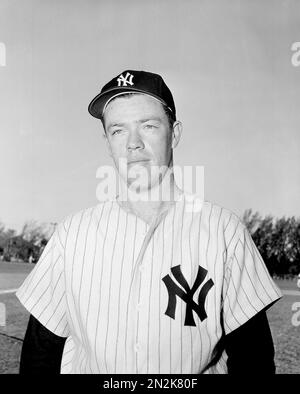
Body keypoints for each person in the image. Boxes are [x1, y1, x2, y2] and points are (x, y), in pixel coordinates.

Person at [17, 70, 281, 374]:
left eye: (149, 126)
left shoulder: (224, 231)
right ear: (107, 142)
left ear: (175, 133)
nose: (133, 143)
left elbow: (254, 358)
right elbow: (40, 353)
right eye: (118, 130)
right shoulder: (72, 235)